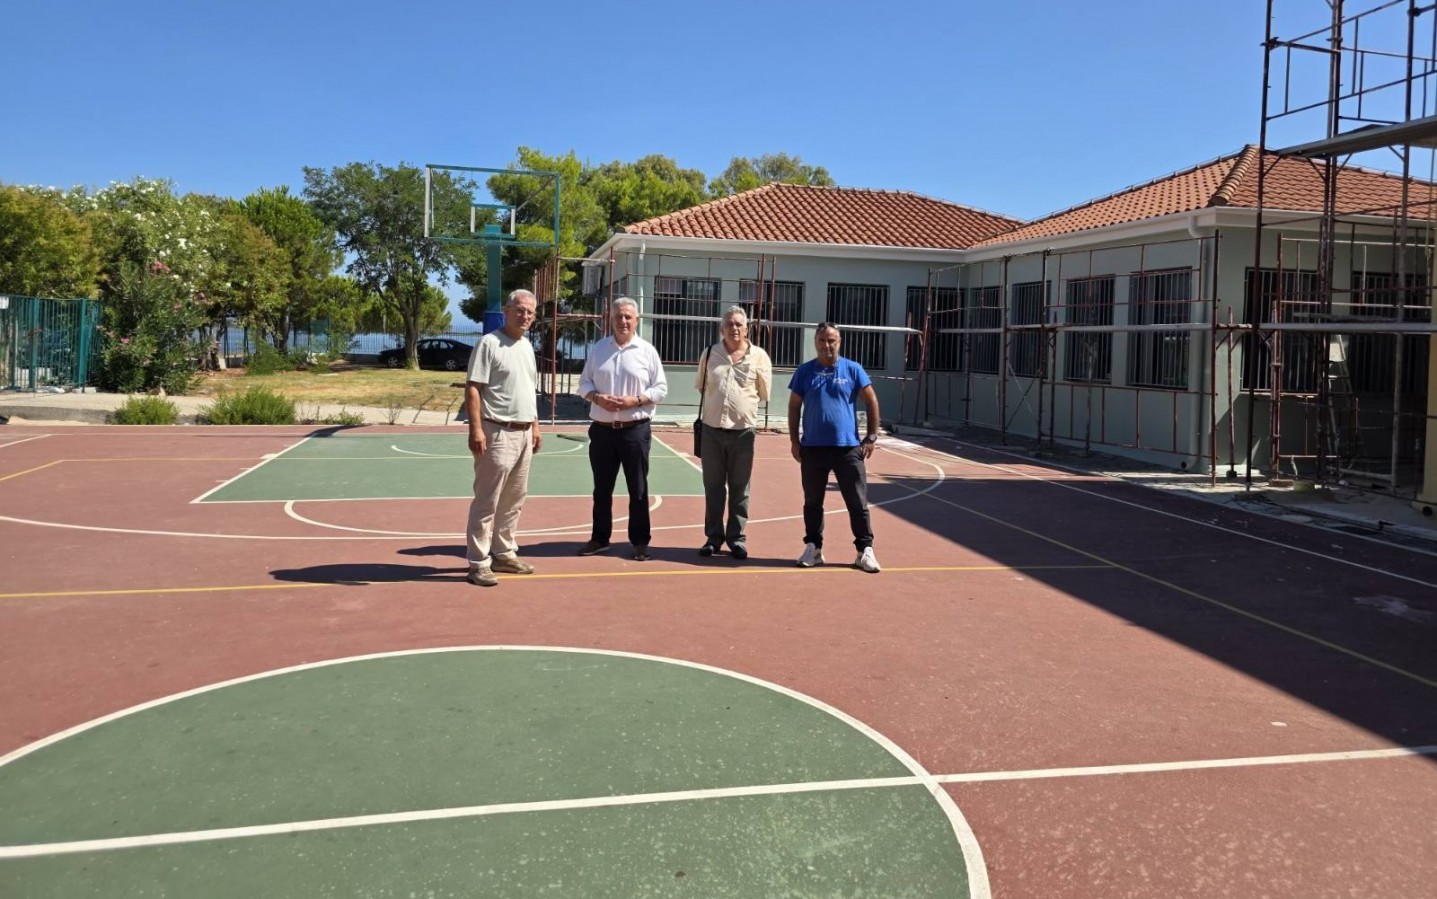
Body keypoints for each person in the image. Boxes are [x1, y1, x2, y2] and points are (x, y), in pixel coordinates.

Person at [577, 297, 668, 560]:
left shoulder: (647, 351)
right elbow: (583, 384)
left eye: (628, 316)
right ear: (611, 319)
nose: (623, 321)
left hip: (634, 431)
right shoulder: (599, 350)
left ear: (636, 320)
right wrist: (596, 397)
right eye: (619, 316)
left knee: (638, 488)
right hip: (603, 431)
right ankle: (599, 539)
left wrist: (636, 400)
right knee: (601, 489)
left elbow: (661, 388)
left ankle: (640, 542)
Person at [787, 322, 882, 573]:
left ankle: (865, 551)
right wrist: (794, 441)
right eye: (822, 341)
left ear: (839, 342)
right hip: (813, 448)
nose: (827, 345)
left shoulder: (853, 369)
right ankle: (813, 548)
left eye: (832, 341)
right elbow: (794, 406)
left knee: (857, 502)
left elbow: (871, 400)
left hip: (848, 448)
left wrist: (871, 437)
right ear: (815, 342)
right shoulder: (805, 372)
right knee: (812, 502)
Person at [463, 289, 542, 587]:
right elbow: (473, 388)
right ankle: (479, 562)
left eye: (530, 313)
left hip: (523, 434)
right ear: (507, 310)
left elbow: (528, 391)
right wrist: (476, 429)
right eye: (520, 310)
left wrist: (535, 426)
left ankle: (504, 553)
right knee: (487, 501)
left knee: (514, 499)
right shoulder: (489, 343)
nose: (525, 316)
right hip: (496, 432)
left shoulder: (526, 348)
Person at [693, 305, 773, 560]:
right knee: (713, 487)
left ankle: (737, 539)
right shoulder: (709, 354)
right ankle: (713, 538)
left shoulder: (759, 357)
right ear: (721, 329)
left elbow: (764, 393)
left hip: (742, 434)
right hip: (711, 432)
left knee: (740, 488)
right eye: (729, 324)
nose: (734, 328)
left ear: (747, 329)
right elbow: (702, 387)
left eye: (739, 324)